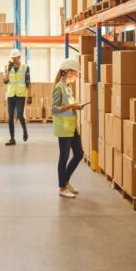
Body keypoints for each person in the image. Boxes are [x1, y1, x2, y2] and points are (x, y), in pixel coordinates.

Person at [52, 59, 85, 198]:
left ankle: (66, 181)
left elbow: (69, 105)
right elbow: (54, 109)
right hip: (63, 128)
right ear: (69, 72)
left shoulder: (68, 87)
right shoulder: (59, 87)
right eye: (76, 73)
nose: (77, 76)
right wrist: (72, 106)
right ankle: (62, 188)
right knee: (64, 157)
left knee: (79, 154)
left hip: (72, 127)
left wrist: (76, 105)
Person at [3, 48, 32, 146]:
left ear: (19, 57)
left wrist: (30, 96)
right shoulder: (7, 66)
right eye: (12, 58)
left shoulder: (25, 67)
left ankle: (25, 130)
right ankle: (12, 138)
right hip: (11, 94)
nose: (14, 60)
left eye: (15, 58)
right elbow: (5, 81)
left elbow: (28, 83)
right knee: (10, 117)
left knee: (19, 115)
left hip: (20, 95)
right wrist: (8, 70)